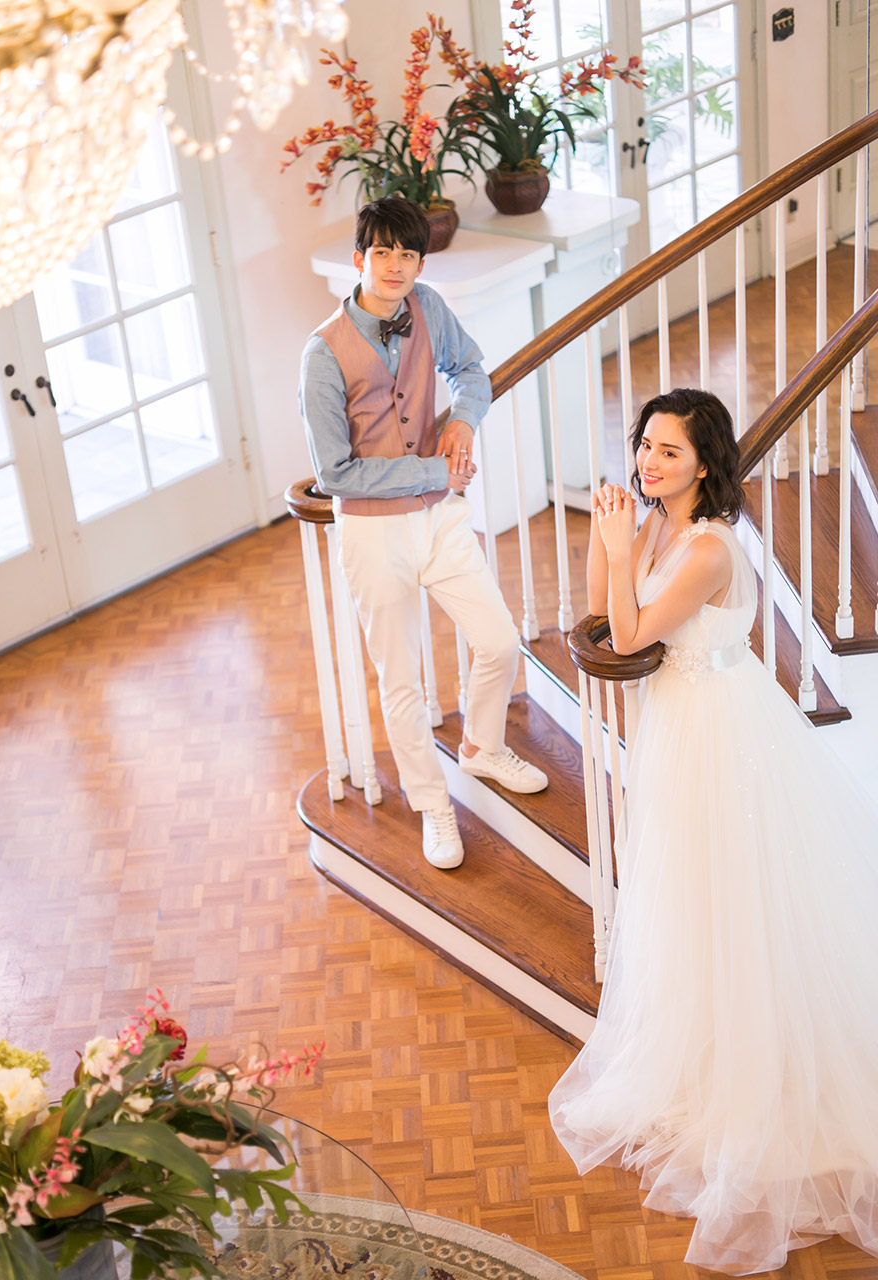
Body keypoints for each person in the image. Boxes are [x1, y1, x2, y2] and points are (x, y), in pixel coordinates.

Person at [548, 388, 878, 1274]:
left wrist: (620, 543)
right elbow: (600, 609)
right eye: (645, 446)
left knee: (733, 894)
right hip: (679, 725)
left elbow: (627, 636)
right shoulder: (659, 524)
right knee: (688, 898)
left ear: (705, 462)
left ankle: (761, 1076)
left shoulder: (706, 546)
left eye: (670, 451)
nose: (650, 462)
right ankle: (701, 1055)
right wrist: (608, 537)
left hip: (719, 733)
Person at [298, 197, 547, 871]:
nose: (396, 266)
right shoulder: (322, 354)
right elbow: (335, 473)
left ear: (419, 263)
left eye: (408, 254)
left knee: (498, 640)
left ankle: (482, 747)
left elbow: (472, 370)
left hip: (440, 519)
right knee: (402, 679)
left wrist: (463, 417)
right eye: (382, 252)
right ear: (359, 258)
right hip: (372, 535)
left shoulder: (428, 306)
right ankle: (433, 803)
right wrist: (438, 468)